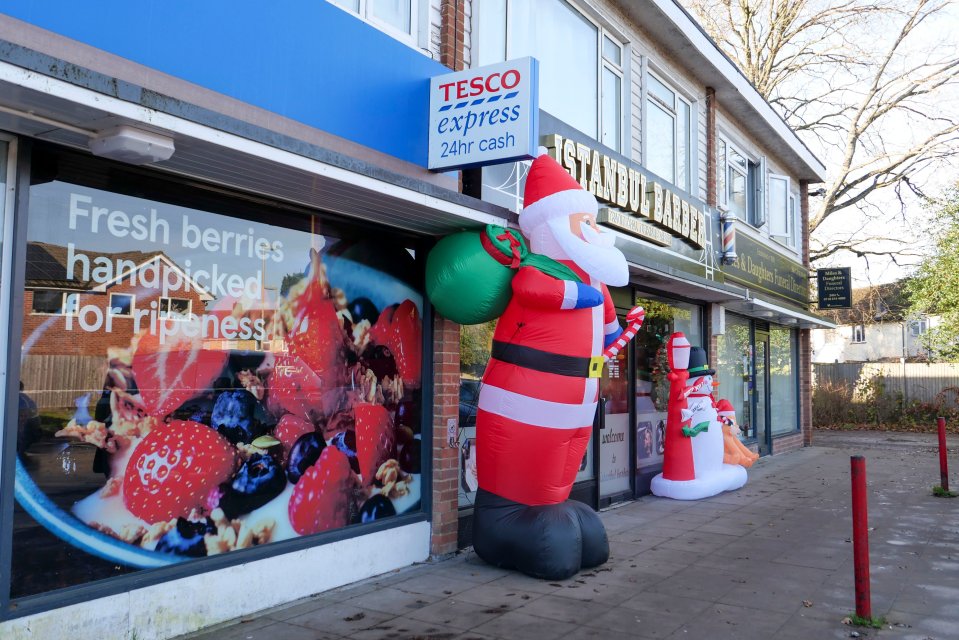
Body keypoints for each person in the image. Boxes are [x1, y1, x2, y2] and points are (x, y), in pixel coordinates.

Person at [471, 149, 642, 580]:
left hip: (576, 403)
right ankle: (502, 520)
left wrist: (622, 334)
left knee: (557, 479)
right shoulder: (541, 267)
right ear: (550, 225)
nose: (592, 231)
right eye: (582, 222)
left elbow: (606, 335)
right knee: (524, 469)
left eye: (591, 222)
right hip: (523, 398)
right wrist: (584, 296)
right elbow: (538, 290)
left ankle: (548, 508)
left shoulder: (595, 280)